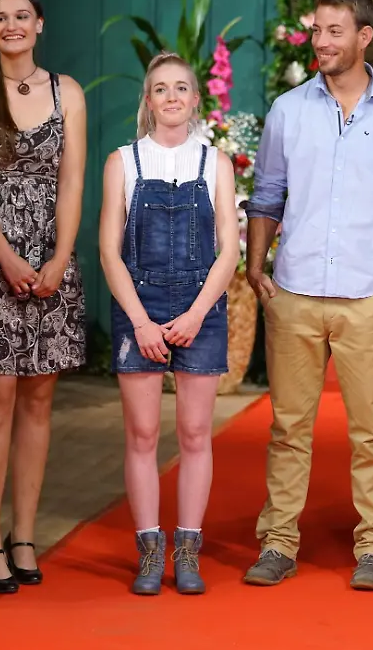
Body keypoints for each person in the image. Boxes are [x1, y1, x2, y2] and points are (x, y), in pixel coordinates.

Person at [242, 0, 373, 591]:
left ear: (364, 37)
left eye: (334, 31)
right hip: (295, 290)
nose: (321, 42)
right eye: (317, 30)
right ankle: (278, 542)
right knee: (288, 429)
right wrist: (256, 266)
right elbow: (268, 192)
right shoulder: (287, 110)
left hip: (371, 296)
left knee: (371, 433)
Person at [0, 0, 87, 594]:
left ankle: (23, 533)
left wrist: (58, 258)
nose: (11, 25)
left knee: (38, 400)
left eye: (21, 16)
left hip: (50, 261)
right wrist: (3, 257)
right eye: (0, 17)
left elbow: (73, 182)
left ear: (40, 25)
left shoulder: (67, 92)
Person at [98, 52, 238, 596]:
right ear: (148, 100)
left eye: (182, 87)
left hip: (200, 308)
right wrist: (141, 322)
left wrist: (198, 312)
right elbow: (110, 252)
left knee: (196, 433)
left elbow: (229, 250)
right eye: (161, 89)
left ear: (196, 98)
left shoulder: (216, 163)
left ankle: (188, 550)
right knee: (142, 433)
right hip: (141, 306)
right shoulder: (123, 162)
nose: (172, 97)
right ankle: (149, 551)